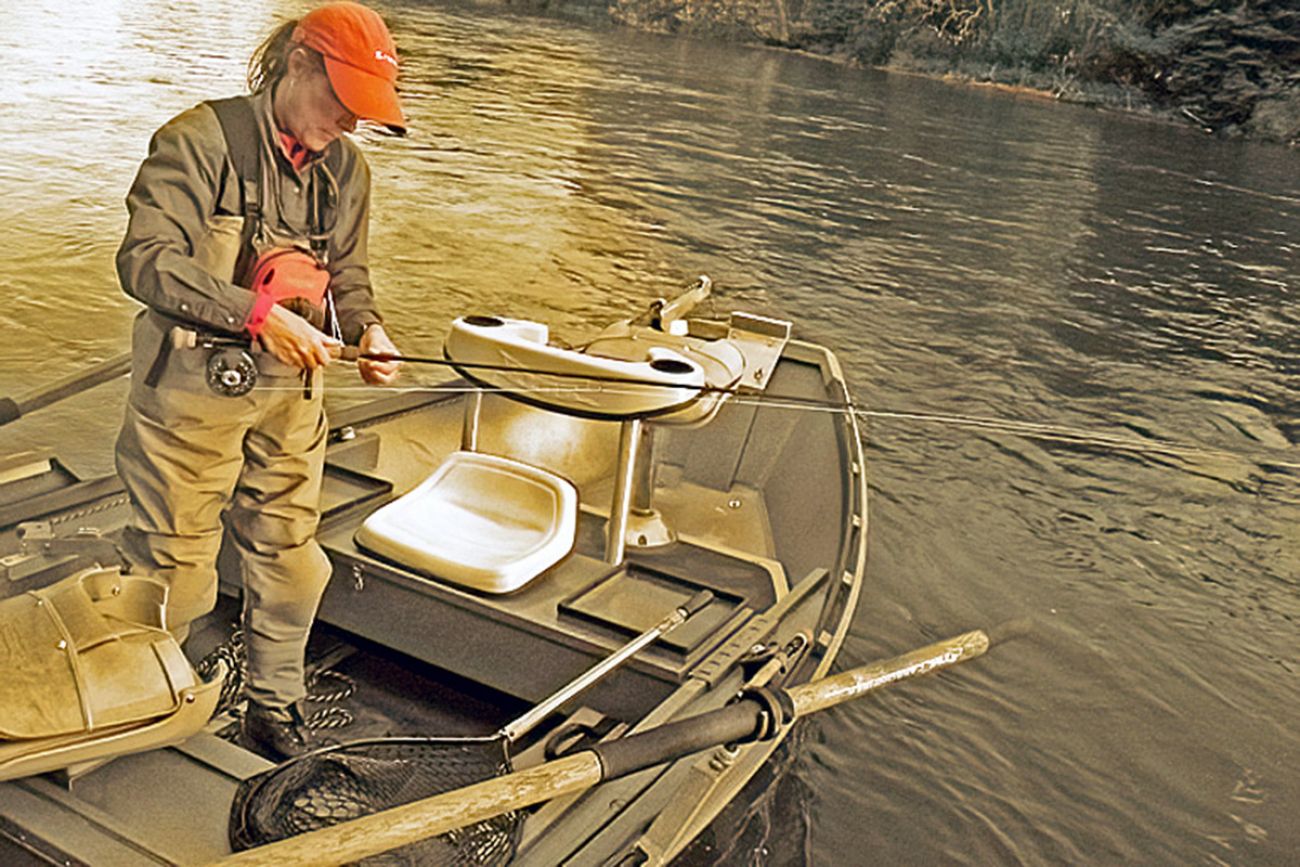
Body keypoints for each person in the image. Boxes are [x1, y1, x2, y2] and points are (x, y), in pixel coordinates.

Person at [113, 2, 405, 761]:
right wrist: (257, 312)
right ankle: (144, 705)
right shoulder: (197, 140)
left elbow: (349, 277)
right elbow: (144, 259)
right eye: (342, 101)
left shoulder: (348, 169)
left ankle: (273, 705)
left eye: (362, 112)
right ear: (298, 63)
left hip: (292, 398)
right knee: (172, 564)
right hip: (187, 396)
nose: (349, 123)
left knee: (292, 555)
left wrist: (366, 330)